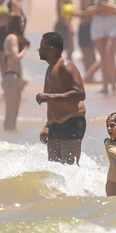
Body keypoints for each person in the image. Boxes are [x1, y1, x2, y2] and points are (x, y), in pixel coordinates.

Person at [34, 31, 87, 164]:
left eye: (42, 46)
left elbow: (80, 94)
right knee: (54, 169)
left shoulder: (65, 66)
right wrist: (48, 125)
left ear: (50, 49)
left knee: (70, 169)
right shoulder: (50, 69)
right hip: (54, 126)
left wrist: (49, 96)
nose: (38, 49)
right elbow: (53, 102)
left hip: (71, 122)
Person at [2, 13, 29, 131]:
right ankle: (7, 139)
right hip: (12, 77)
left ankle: (9, 137)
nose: (23, 25)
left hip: (14, 77)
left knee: (13, 114)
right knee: (11, 114)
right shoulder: (12, 38)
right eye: (21, 22)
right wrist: (25, 49)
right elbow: (15, 57)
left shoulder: (11, 37)